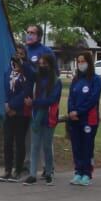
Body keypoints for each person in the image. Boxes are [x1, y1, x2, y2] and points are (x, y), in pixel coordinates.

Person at [25, 52, 62, 185]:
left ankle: (49, 171)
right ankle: (32, 174)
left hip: (49, 117)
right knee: (34, 146)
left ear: (50, 65)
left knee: (47, 146)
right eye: (40, 64)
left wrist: (35, 103)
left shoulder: (57, 81)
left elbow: (51, 100)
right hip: (36, 117)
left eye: (44, 64)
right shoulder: (37, 80)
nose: (42, 66)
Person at [66, 50, 101, 186]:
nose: (81, 64)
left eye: (83, 61)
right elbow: (71, 98)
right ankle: (78, 172)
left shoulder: (96, 80)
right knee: (77, 146)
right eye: (79, 62)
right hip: (74, 119)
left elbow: (92, 99)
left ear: (89, 62)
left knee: (87, 146)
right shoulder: (76, 80)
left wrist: (79, 112)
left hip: (89, 119)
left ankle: (87, 173)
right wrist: (71, 111)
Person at [0, 50, 31, 182]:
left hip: (20, 112)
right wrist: (6, 105)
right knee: (7, 141)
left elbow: (26, 92)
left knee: (19, 141)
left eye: (21, 54)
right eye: (16, 54)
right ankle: (7, 169)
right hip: (8, 111)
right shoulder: (8, 72)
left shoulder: (27, 72)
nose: (18, 57)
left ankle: (18, 170)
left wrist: (12, 106)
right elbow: (5, 89)